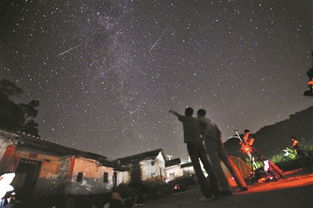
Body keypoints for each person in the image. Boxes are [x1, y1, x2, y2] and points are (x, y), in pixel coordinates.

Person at [169, 107, 219, 201]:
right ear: (192, 113)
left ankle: (207, 195)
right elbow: (207, 126)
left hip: (191, 145)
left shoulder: (184, 119)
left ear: (186, 113)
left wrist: (172, 111)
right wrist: (203, 136)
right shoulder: (197, 120)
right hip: (200, 144)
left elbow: (177, 115)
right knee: (208, 166)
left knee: (198, 169)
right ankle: (216, 192)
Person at [197, 109, 248, 194]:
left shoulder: (200, 120)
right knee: (229, 164)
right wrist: (219, 141)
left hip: (211, 143)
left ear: (198, 115)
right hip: (219, 143)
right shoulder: (211, 121)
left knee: (217, 166)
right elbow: (219, 132)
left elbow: (206, 128)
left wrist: (203, 137)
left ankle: (226, 189)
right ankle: (242, 185)